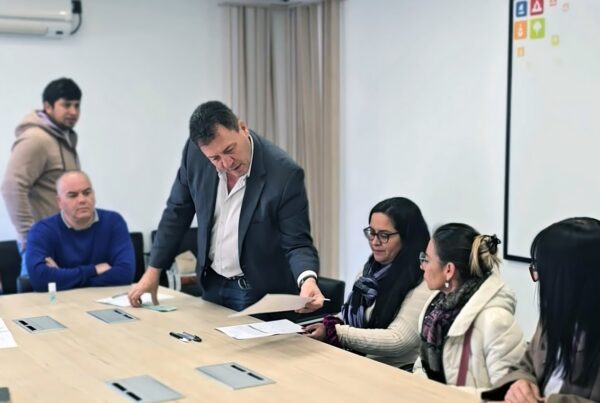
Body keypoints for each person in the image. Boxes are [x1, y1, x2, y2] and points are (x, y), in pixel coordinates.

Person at [128, 101, 324, 312]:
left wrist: (307, 280)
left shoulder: (284, 174)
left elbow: (296, 243)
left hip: (258, 292)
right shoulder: (194, 155)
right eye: (215, 158)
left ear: (242, 128)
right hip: (211, 283)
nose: (227, 163)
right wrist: (153, 271)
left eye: (229, 150)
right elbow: (176, 213)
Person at [304, 197, 432, 370]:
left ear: (407, 237)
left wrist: (336, 331)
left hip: (396, 372)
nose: (374, 242)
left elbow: (399, 340)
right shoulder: (368, 273)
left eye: (384, 235)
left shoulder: (424, 280)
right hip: (358, 363)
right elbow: (352, 318)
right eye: (371, 232)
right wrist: (327, 325)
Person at [482, 217, 600, 403]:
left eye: (544, 271)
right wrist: (521, 383)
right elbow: (525, 366)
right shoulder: (554, 317)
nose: (539, 280)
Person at [416, 223, 526, 394]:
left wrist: (443, 395)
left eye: (427, 260)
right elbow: (420, 367)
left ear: (449, 270)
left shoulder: (497, 321)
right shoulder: (436, 307)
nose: (422, 266)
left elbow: (508, 395)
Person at [1, 77, 82, 280]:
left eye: (77, 105)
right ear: (48, 106)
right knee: (39, 300)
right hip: (42, 247)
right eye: (66, 105)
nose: (73, 111)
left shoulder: (65, 140)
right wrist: (31, 240)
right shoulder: (36, 139)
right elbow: (12, 187)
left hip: (65, 244)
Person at [26, 171, 135, 292]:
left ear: (94, 195)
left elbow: (125, 274)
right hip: (61, 301)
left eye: (87, 193)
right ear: (59, 202)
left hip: (105, 298)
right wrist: (94, 270)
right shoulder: (42, 230)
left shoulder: (113, 222)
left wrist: (62, 278)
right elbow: (40, 280)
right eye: (73, 195)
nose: (82, 200)